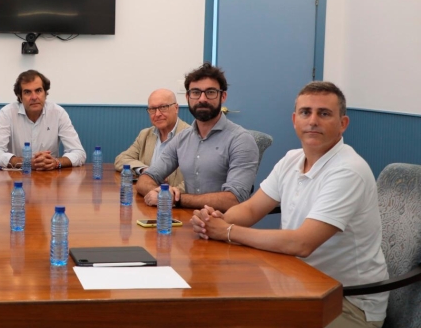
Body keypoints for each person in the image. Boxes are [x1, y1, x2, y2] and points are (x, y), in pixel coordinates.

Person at [190, 81, 388, 328]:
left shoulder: (349, 170)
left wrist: (227, 231)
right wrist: (213, 219)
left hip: (346, 303)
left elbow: (302, 243)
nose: (313, 120)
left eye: (324, 113)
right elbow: (251, 209)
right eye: (306, 112)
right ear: (295, 119)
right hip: (297, 283)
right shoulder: (292, 159)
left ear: (343, 124)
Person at [135, 62, 258, 212]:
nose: (202, 99)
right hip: (188, 222)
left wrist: (174, 199)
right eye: (195, 92)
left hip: (224, 227)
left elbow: (234, 199)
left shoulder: (241, 140)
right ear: (187, 97)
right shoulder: (182, 138)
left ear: (223, 96)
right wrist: (159, 193)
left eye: (210, 92)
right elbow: (146, 178)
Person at [0, 69, 86, 170]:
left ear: (45, 94)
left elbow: (79, 153)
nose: (34, 97)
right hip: (16, 178)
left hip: (50, 177)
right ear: (20, 97)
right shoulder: (7, 113)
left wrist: (56, 162)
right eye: (27, 92)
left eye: (38, 91)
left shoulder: (58, 113)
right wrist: (26, 162)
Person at [114, 88, 190, 190]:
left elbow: (199, 180)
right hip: (145, 195)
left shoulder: (190, 136)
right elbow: (121, 160)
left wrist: (169, 195)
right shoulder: (145, 135)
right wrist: (145, 170)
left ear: (176, 108)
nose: (157, 114)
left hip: (174, 201)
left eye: (163, 107)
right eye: (152, 109)